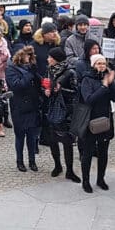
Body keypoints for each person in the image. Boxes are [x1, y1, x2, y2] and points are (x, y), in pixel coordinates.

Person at [77, 54, 115, 193]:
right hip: (91, 122)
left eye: (103, 63)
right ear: (93, 65)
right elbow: (89, 99)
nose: (101, 66)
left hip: (105, 121)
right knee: (88, 153)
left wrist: (111, 84)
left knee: (103, 152)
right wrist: (103, 87)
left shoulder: (107, 79)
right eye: (98, 63)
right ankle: (86, 181)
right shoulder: (87, 79)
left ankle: (101, 179)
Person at [42, 47, 80, 182]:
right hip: (52, 108)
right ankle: (57, 165)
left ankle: (69, 169)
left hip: (66, 110)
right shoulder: (50, 70)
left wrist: (60, 89)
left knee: (67, 141)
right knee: (53, 140)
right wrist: (47, 91)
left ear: (56, 59)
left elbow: (75, 92)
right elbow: (47, 86)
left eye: (50, 57)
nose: (48, 59)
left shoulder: (70, 72)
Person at [6, 46, 42, 172]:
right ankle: (20, 161)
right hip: (19, 106)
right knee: (20, 136)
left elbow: (38, 84)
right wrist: (29, 74)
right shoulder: (11, 68)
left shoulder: (31, 68)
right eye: (27, 55)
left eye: (31, 55)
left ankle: (32, 161)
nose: (29, 58)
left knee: (32, 136)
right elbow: (17, 85)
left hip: (32, 105)